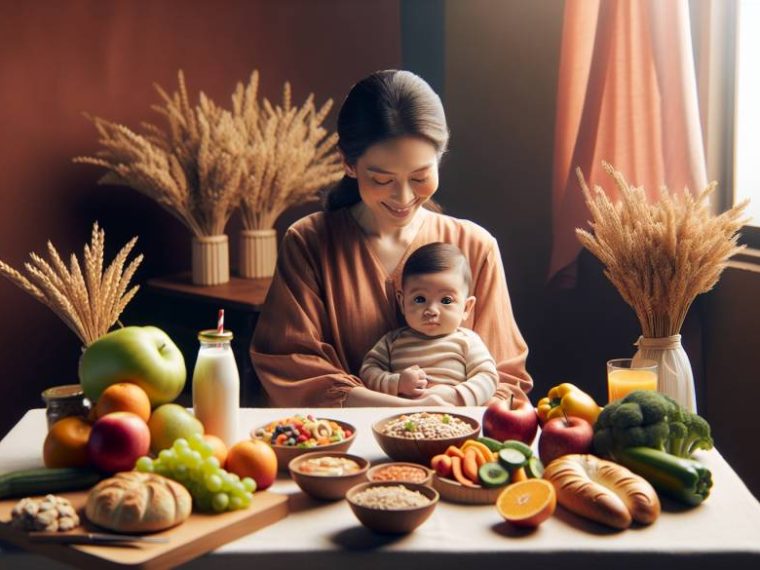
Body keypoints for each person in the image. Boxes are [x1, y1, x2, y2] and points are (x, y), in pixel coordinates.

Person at [250, 69, 532, 407]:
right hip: (344, 449)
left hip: (454, 451)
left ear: (440, 160)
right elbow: (292, 367)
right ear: (349, 164)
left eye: (420, 176)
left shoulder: (475, 247)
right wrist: (408, 410)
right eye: (382, 179)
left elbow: (506, 380)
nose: (402, 197)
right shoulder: (309, 242)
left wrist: (450, 405)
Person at [360, 242, 499, 405]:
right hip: (404, 418)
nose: (431, 310)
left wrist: (456, 396)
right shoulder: (393, 341)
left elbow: (488, 377)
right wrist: (397, 383)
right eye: (420, 299)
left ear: (466, 307)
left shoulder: (468, 341)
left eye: (446, 300)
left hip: (454, 418)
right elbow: (368, 371)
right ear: (402, 302)